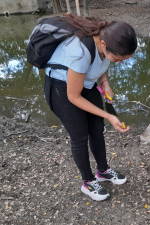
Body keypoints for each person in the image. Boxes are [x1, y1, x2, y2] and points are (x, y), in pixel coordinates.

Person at [43, 14, 137, 201]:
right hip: (62, 89)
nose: (119, 61)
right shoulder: (79, 52)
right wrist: (109, 116)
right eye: (118, 59)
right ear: (103, 44)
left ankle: (103, 170)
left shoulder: (106, 43)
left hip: (86, 84)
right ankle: (87, 182)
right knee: (80, 135)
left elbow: (101, 64)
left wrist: (105, 83)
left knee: (97, 129)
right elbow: (73, 96)